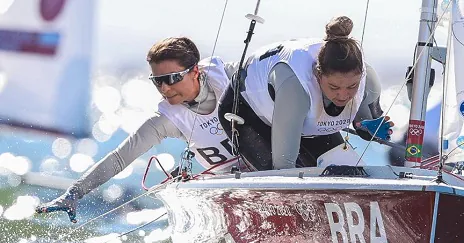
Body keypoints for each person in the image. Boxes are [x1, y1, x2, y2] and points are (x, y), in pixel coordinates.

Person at [36, 36, 238, 223]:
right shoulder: (167, 120)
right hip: (239, 190)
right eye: (158, 81)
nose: (164, 89)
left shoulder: (231, 76)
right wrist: (73, 193)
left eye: (171, 78)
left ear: (195, 72)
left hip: (269, 175)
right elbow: (119, 159)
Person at [219, 16, 394, 171]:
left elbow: (363, 125)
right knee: (285, 175)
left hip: (301, 117)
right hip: (247, 108)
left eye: (351, 87)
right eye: (334, 87)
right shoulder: (296, 88)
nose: (343, 95)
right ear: (318, 76)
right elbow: (283, 166)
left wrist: (368, 128)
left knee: (351, 175)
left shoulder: (368, 80)